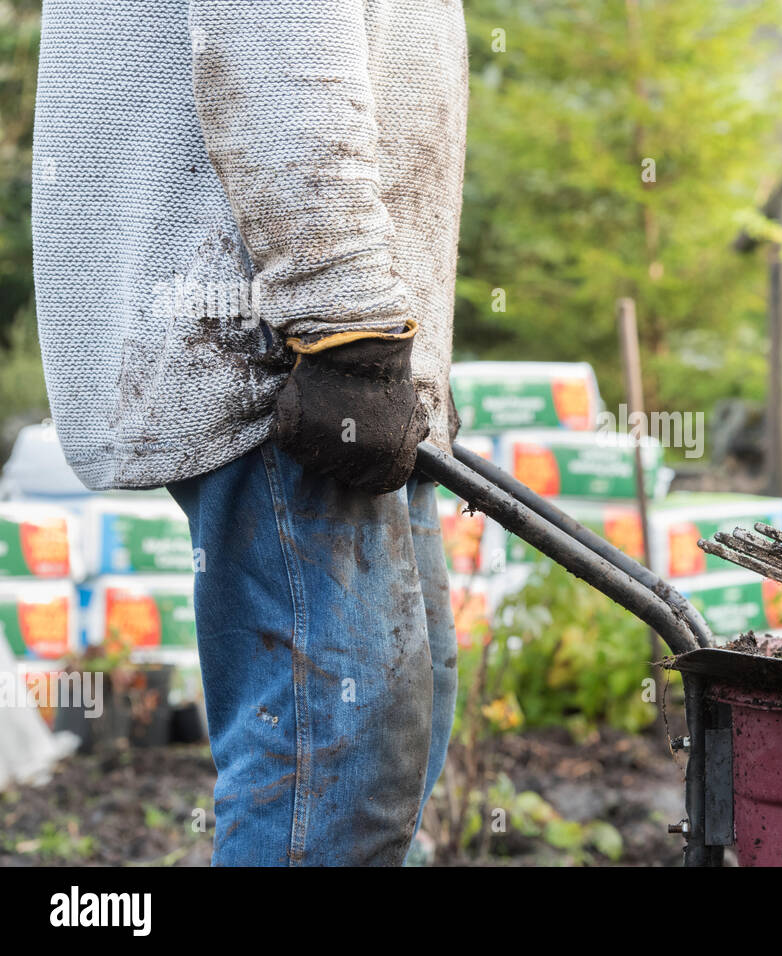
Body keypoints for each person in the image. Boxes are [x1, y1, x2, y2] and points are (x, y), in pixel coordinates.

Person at [31, 1, 469, 865]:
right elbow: (274, 40)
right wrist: (349, 326)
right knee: (335, 774)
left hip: (325, 338)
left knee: (387, 748)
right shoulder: (327, 334)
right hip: (281, 352)